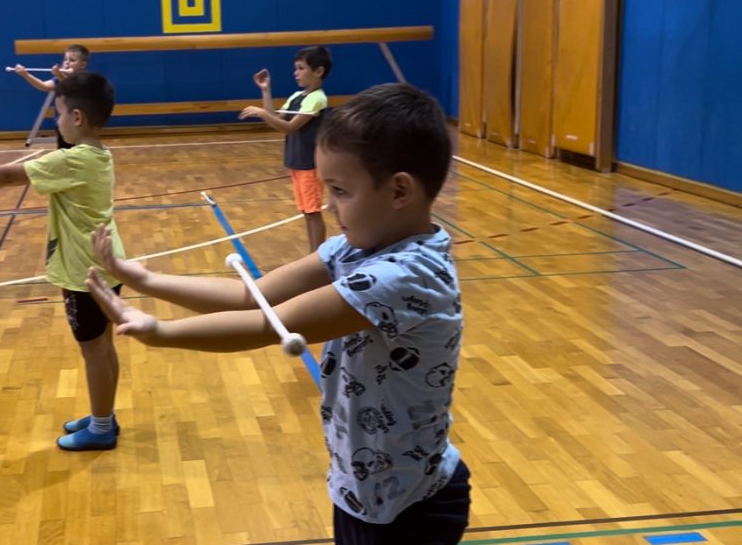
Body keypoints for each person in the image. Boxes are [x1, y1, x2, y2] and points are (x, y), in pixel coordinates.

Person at [88, 83, 471, 544]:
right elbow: (253, 296)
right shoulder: (354, 249)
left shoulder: (403, 277)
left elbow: (266, 324)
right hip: (364, 488)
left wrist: (161, 332)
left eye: (341, 191)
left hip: (410, 507)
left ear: (399, 190)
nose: (328, 205)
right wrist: (147, 280)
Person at [0, 72, 126, 451]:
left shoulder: (72, 161)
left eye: (59, 114)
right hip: (105, 262)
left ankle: (102, 427)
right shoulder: (99, 154)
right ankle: (105, 415)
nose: (57, 121)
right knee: (102, 344)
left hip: (82, 271)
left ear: (77, 118)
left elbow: (7, 175)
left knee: (93, 349)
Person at [240, 45, 332, 252]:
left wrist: (262, 113)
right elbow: (276, 119)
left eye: (301, 68)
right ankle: (313, 255)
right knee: (307, 212)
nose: (296, 73)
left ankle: (317, 257)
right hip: (297, 163)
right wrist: (265, 90)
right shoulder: (297, 96)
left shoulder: (317, 98)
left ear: (318, 71)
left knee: (313, 213)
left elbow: (289, 127)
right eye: (295, 68)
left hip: (310, 165)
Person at [12, 44, 91, 148]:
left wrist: (59, 75)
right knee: (63, 152)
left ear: (83, 65)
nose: (67, 63)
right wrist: (26, 75)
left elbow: (72, 89)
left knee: (79, 152)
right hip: (62, 124)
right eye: (65, 59)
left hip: (79, 125)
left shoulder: (85, 79)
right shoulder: (59, 79)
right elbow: (44, 86)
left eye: (72, 60)